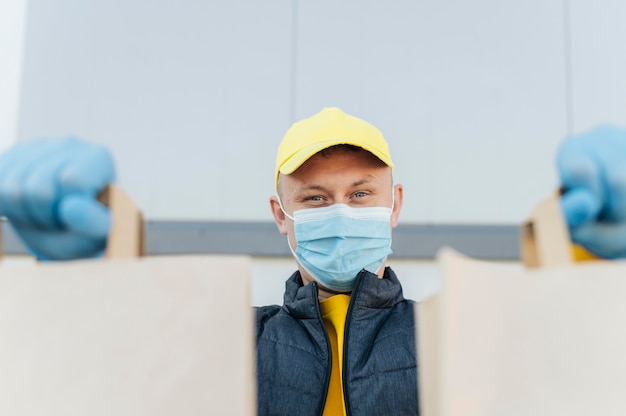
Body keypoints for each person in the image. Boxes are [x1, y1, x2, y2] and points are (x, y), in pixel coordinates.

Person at [1, 108, 626, 415]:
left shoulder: (454, 333)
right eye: (315, 198)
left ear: (394, 205)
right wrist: (81, 283)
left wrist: (589, 267)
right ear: (281, 215)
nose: (341, 211)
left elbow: (564, 374)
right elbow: (120, 384)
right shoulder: (228, 337)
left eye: (361, 194)